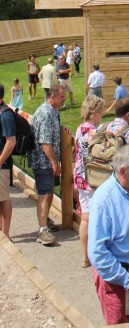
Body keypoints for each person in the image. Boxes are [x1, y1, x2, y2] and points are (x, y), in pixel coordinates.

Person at [88, 145, 129, 325]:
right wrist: (126, 280)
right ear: (123, 171)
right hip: (121, 280)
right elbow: (97, 252)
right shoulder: (104, 200)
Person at [27, 84, 66, 246]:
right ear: (53, 96)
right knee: (45, 193)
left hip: (46, 162)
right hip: (42, 162)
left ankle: (45, 221)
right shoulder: (46, 113)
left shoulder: (53, 111)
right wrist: (54, 163)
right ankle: (42, 230)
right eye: (62, 97)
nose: (64, 99)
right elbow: (45, 142)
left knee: (49, 192)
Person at [73, 94, 105, 267]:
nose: (101, 115)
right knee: (94, 218)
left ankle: (85, 257)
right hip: (91, 177)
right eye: (100, 111)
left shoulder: (80, 128)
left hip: (79, 175)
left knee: (85, 217)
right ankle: (96, 255)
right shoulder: (93, 131)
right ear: (94, 112)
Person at [0, 84, 16, 237]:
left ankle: (5, 235)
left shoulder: (5, 115)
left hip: (2, 166)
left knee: (3, 199)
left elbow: (11, 142)